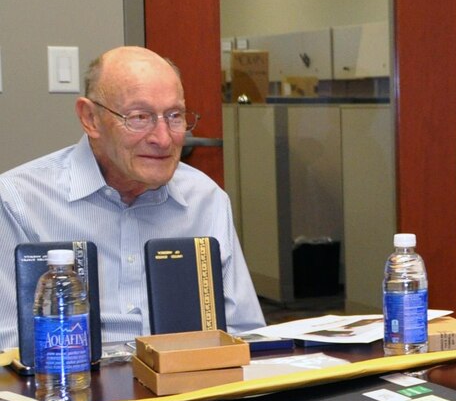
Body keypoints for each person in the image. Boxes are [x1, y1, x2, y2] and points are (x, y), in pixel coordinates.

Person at [0, 46, 263, 348]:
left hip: (190, 386)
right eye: (140, 117)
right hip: (74, 387)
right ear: (90, 118)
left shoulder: (206, 199)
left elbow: (244, 333)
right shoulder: (19, 201)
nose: (162, 138)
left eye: (175, 116)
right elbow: (8, 345)